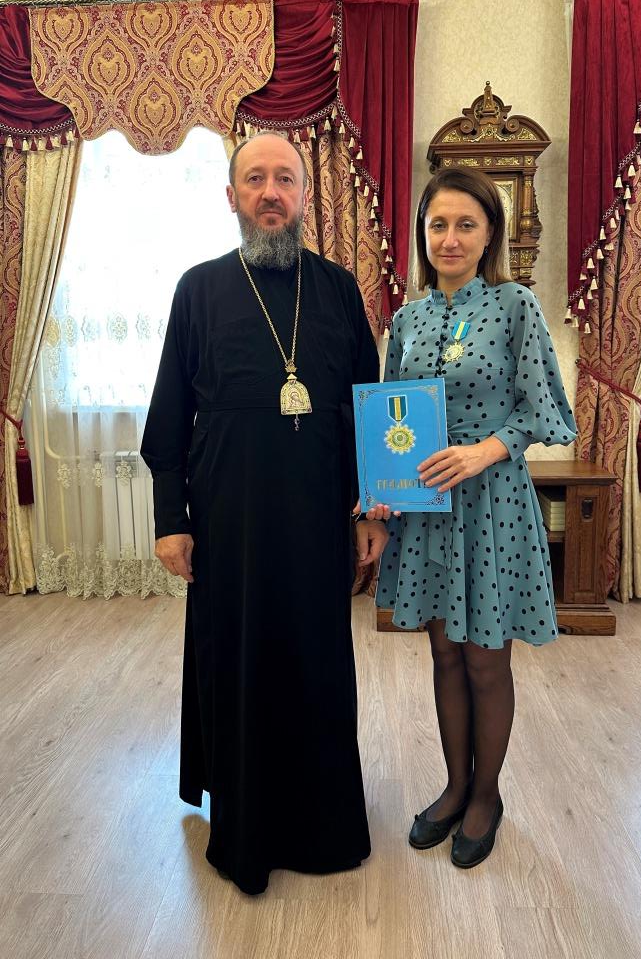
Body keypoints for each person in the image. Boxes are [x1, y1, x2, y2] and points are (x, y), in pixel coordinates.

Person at [141, 132, 388, 895]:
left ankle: (323, 825)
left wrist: (372, 509)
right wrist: (171, 518)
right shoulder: (198, 289)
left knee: (317, 663)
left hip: (319, 516)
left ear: (306, 195)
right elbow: (168, 416)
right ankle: (245, 827)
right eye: (255, 179)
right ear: (232, 196)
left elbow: (370, 407)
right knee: (240, 661)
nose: (271, 192)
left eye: (285, 178)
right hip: (229, 521)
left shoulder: (339, 289)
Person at [373, 168, 576, 868]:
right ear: (422, 234)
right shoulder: (407, 320)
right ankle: (455, 785)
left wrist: (484, 450)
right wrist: (381, 486)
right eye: (438, 224)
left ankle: (486, 796)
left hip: (492, 505)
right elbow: (390, 416)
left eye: (466, 224)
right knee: (444, 653)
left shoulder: (516, 305)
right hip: (427, 509)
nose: (450, 238)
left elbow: (547, 410)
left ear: (490, 234)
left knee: (487, 659)